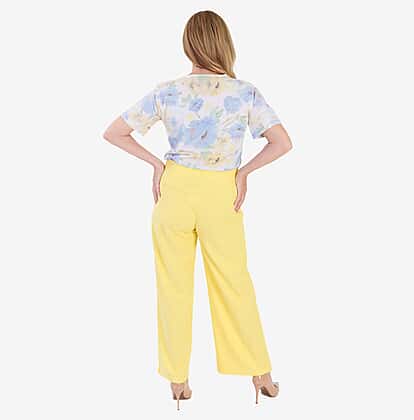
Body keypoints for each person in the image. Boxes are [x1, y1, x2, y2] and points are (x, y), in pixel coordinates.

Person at [103, 10, 293, 410]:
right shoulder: (243, 92)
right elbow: (282, 142)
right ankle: (260, 376)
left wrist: (156, 165)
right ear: (225, 43)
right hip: (221, 194)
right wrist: (244, 173)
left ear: (188, 45)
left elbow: (114, 132)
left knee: (172, 286)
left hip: (174, 192)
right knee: (234, 284)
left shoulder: (168, 91)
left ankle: (178, 382)